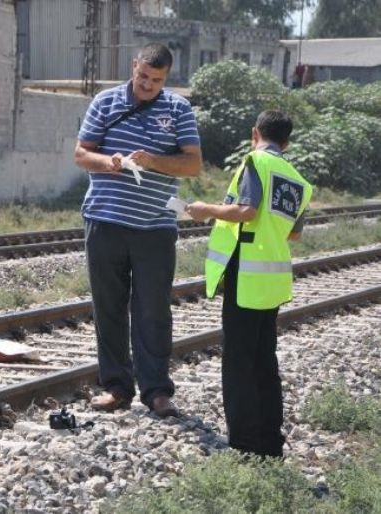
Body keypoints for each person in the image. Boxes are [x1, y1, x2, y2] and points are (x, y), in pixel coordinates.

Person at [74, 43, 202, 417]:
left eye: (156, 80)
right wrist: (109, 161)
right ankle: (116, 387)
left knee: (153, 311)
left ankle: (157, 391)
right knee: (109, 308)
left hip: (155, 228)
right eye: (143, 76)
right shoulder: (105, 102)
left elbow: (192, 164)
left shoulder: (178, 109)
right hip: (106, 222)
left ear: (167, 78)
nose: (148, 85)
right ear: (134, 66)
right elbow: (82, 154)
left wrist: (154, 162)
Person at [186, 110, 312, 457]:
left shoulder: (255, 161)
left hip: (246, 275)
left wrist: (206, 209)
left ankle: (244, 447)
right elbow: (296, 234)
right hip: (272, 280)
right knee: (264, 362)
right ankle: (270, 445)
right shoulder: (297, 179)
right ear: (287, 142)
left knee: (239, 364)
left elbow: (246, 211)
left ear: (254, 133)